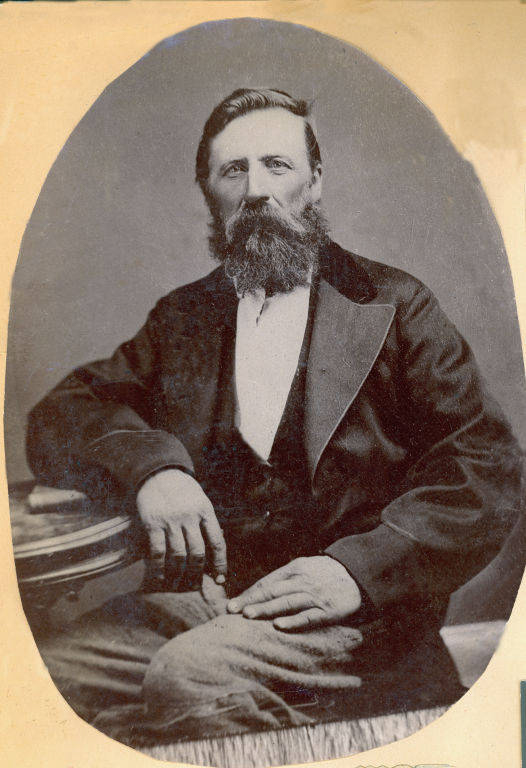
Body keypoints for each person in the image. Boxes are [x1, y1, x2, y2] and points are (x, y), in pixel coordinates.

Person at [26, 88, 522, 746]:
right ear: (209, 190)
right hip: (212, 599)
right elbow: (61, 414)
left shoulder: (394, 306)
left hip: (360, 621)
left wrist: (357, 571)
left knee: (191, 679)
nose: (256, 189)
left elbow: (484, 469)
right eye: (234, 170)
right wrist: (154, 471)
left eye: (277, 166)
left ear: (315, 183)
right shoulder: (184, 317)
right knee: (57, 671)